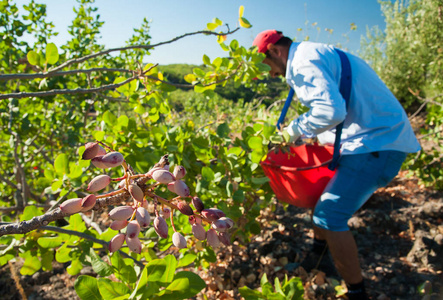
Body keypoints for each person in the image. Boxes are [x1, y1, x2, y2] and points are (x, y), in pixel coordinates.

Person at [253, 30, 420, 300]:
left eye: (268, 67)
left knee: (329, 216)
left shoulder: (304, 61)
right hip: (368, 140)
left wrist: (288, 133)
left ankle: (357, 292)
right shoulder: (312, 53)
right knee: (320, 197)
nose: (272, 74)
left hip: (378, 144)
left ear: (274, 51)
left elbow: (330, 111)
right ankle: (320, 259)